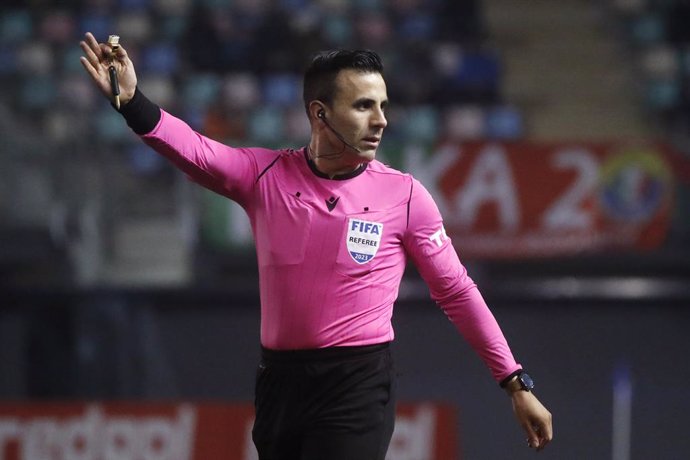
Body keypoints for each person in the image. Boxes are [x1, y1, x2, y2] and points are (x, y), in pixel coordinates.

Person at [79, 32, 553, 459]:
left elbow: (457, 291)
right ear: (319, 113)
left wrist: (514, 381)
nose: (381, 120)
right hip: (279, 384)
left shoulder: (406, 197)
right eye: (364, 106)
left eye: (383, 105)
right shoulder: (263, 176)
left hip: (357, 382)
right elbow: (193, 148)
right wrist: (132, 101)